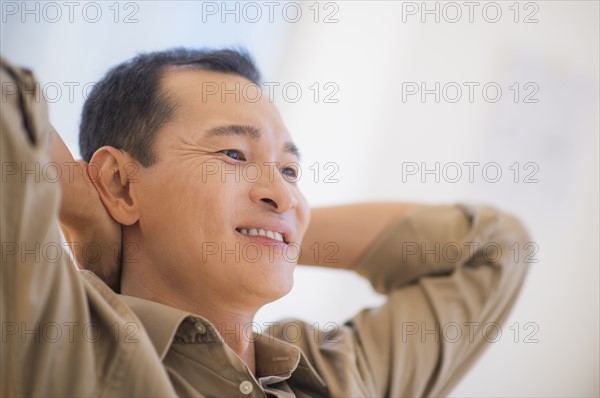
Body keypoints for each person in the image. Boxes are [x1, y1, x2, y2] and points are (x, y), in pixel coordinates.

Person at [1, 49, 531, 397]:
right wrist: (91, 216)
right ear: (119, 182)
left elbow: (494, 247)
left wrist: (276, 233)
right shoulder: (66, 343)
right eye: (233, 153)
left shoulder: (339, 376)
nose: (282, 192)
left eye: (290, 170)